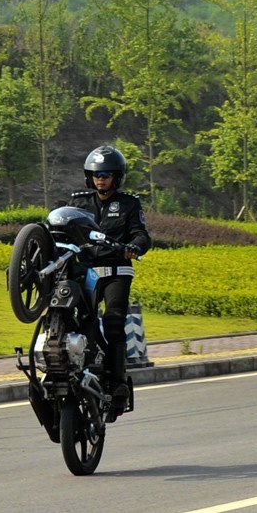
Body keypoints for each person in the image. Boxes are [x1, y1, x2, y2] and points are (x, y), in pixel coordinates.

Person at [67, 145, 151, 410]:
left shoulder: (129, 203)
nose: (100, 178)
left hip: (116, 272)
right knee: (74, 320)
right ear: (88, 176)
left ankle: (118, 384)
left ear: (117, 176)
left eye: (106, 174)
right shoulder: (78, 202)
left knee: (114, 322)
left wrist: (135, 247)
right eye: (95, 174)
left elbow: (142, 234)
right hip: (87, 273)